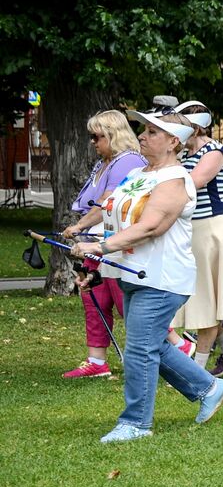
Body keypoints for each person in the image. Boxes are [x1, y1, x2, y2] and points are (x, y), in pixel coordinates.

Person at [70, 110, 223, 441]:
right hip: (133, 273)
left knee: (140, 349)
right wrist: (92, 252)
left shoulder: (175, 180)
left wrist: (100, 246)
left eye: (152, 132)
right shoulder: (139, 174)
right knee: (152, 345)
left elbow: (152, 226)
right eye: (143, 131)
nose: (142, 136)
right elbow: (112, 211)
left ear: (174, 141)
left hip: (163, 278)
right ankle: (209, 387)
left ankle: (136, 423)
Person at [168, 101, 223, 376]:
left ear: (195, 126)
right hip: (194, 229)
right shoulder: (184, 154)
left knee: (207, 302)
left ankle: (197, 370)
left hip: (215, 229)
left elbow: (191, 183)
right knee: (199, 298)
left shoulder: (214, 150)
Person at [60, 110, 146, 378]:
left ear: (113, 135)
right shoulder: (105, 162)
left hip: (112, 240)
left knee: (124, 300)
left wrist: (79, 225)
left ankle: (173, 348)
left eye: (97, 136)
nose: (93, 142)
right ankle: (97, 361)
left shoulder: (127, 160)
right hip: (94, 241)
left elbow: (107, 203)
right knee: (92, 295)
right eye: (92, 136)